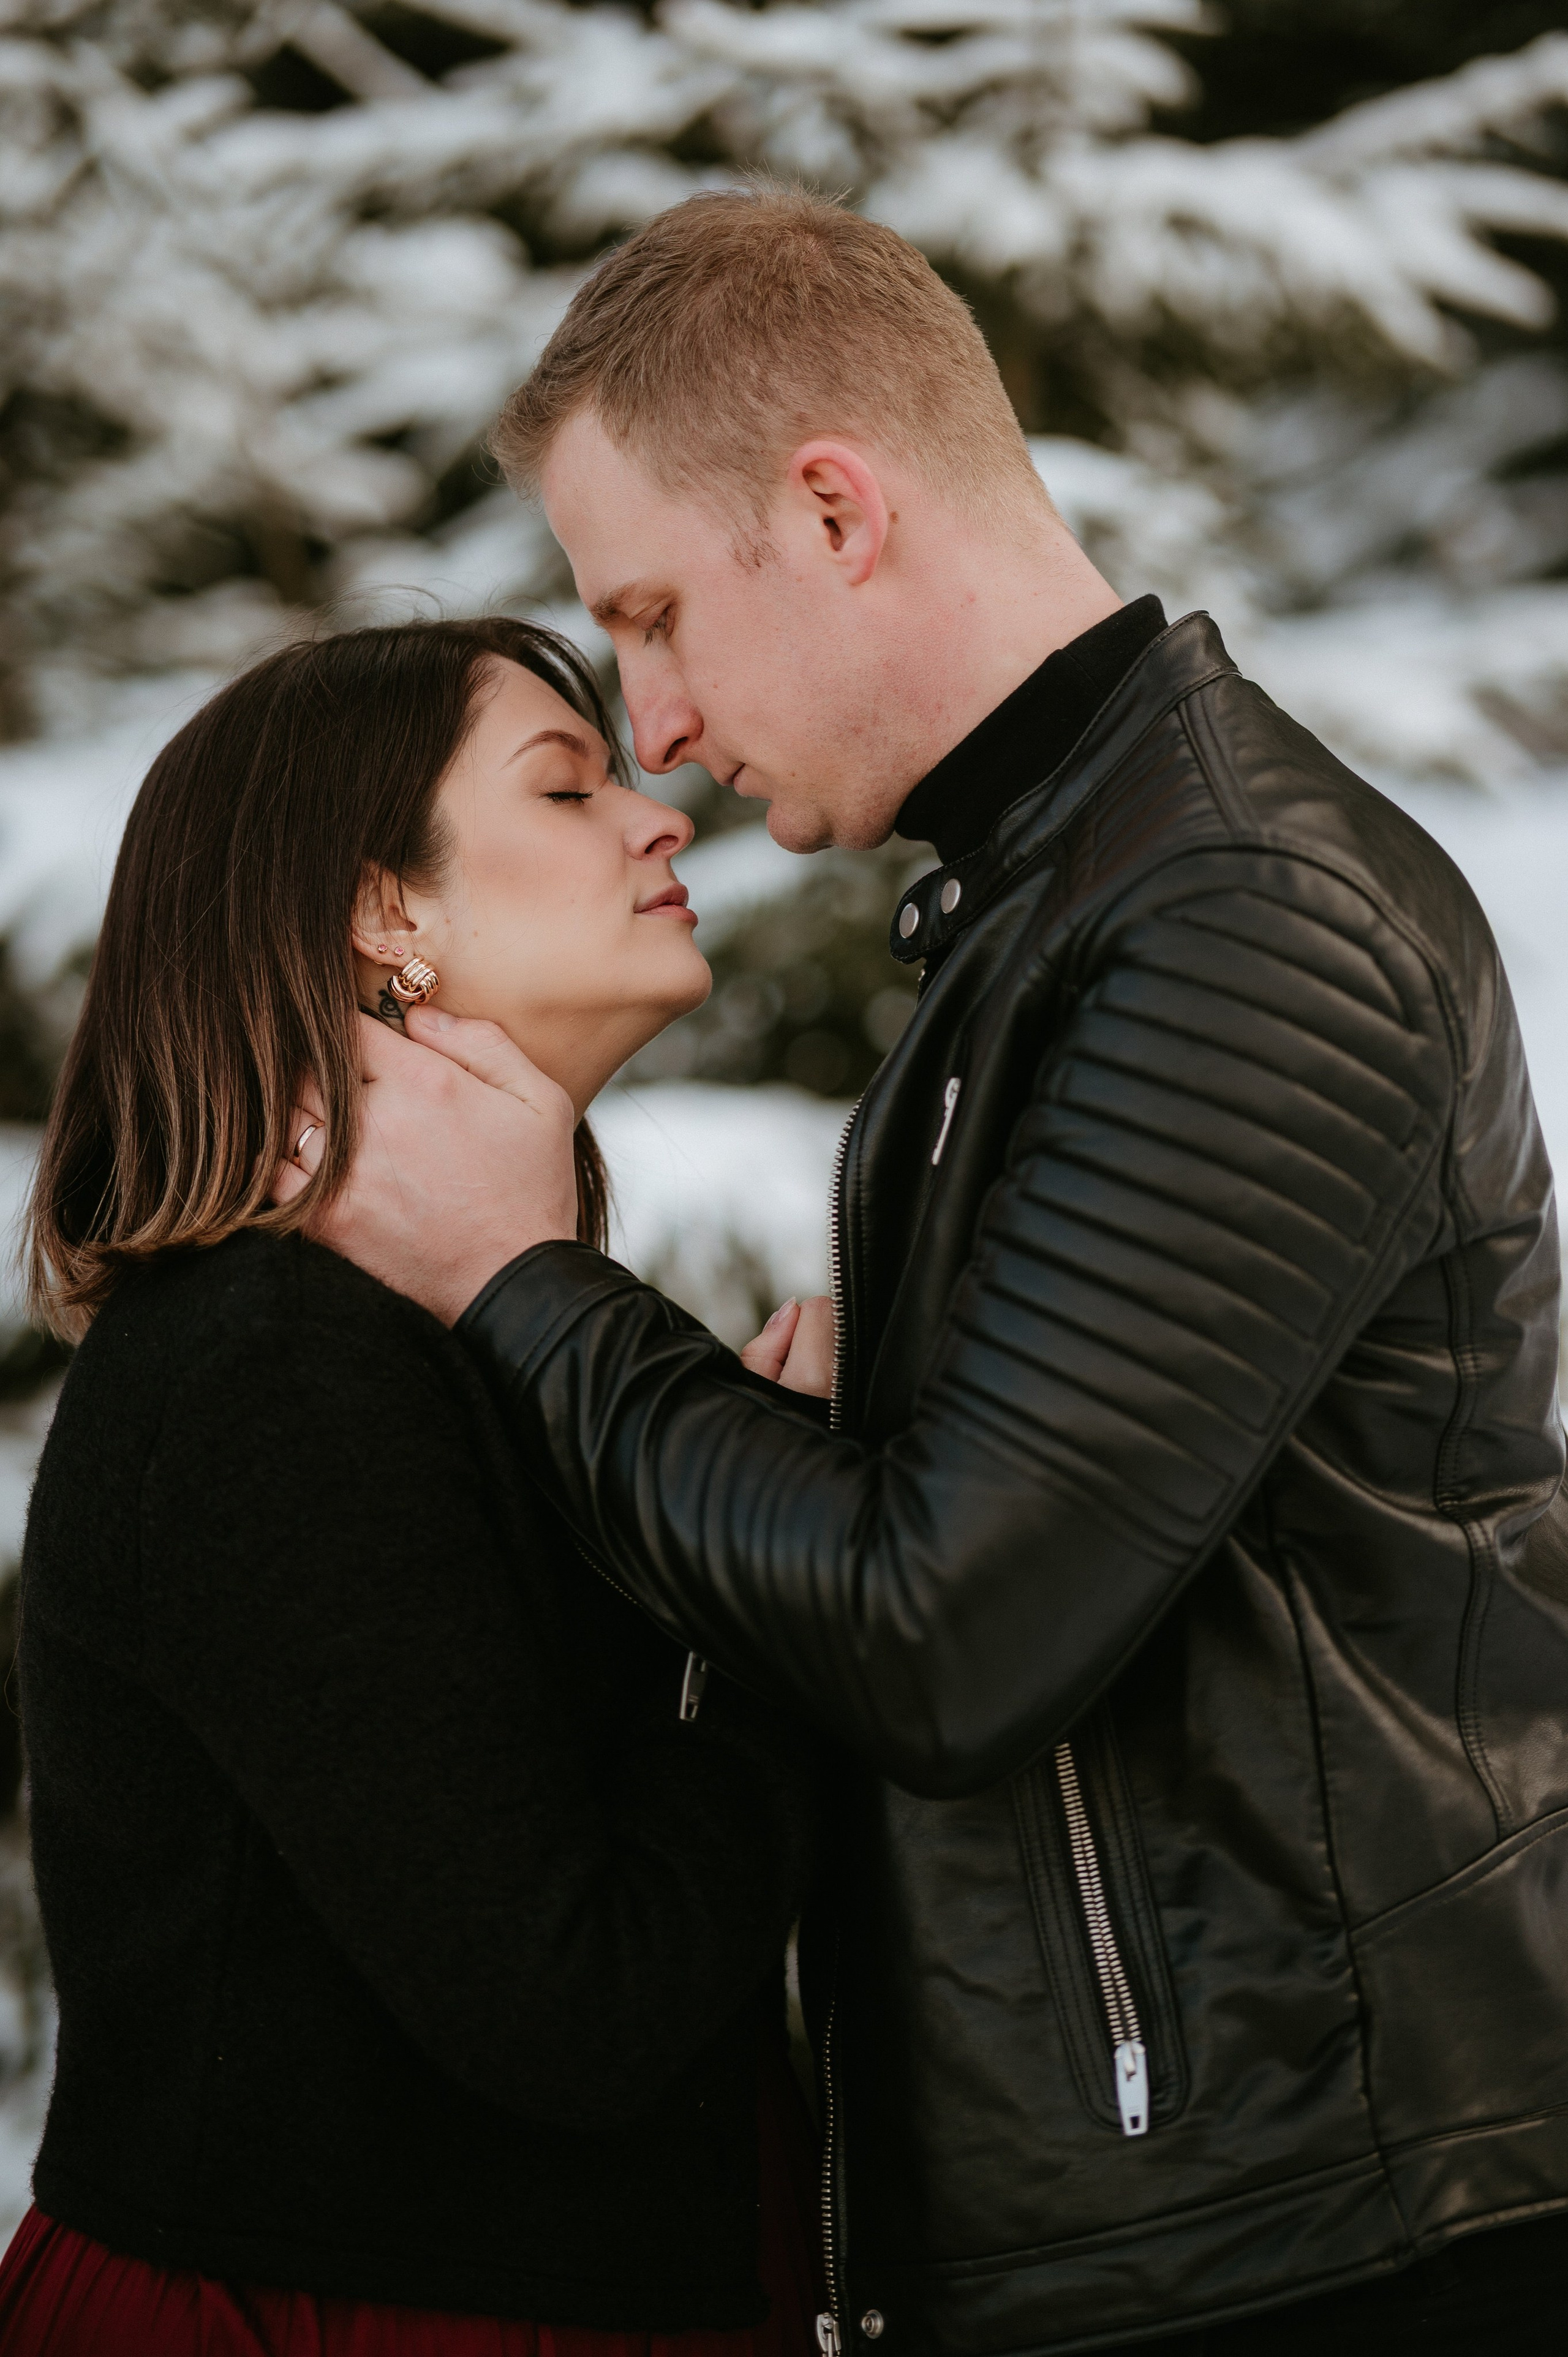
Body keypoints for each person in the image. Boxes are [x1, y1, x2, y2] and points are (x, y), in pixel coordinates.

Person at [279, 189, 1568, 2355]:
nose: (663, 725)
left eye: (660, 615)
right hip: (1225, 2229)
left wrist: (524, 1283)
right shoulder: (1060, 910)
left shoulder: (1239, 920)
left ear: (836, 507)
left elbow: (947, 1637)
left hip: (1333, 2238)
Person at [4, 616, 828, 2357]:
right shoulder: (269, 1370)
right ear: (386, 912)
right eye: (570, 782)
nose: (661, 811)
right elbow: (574, 1997)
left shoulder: (455, 1342)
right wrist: (785, 1626)